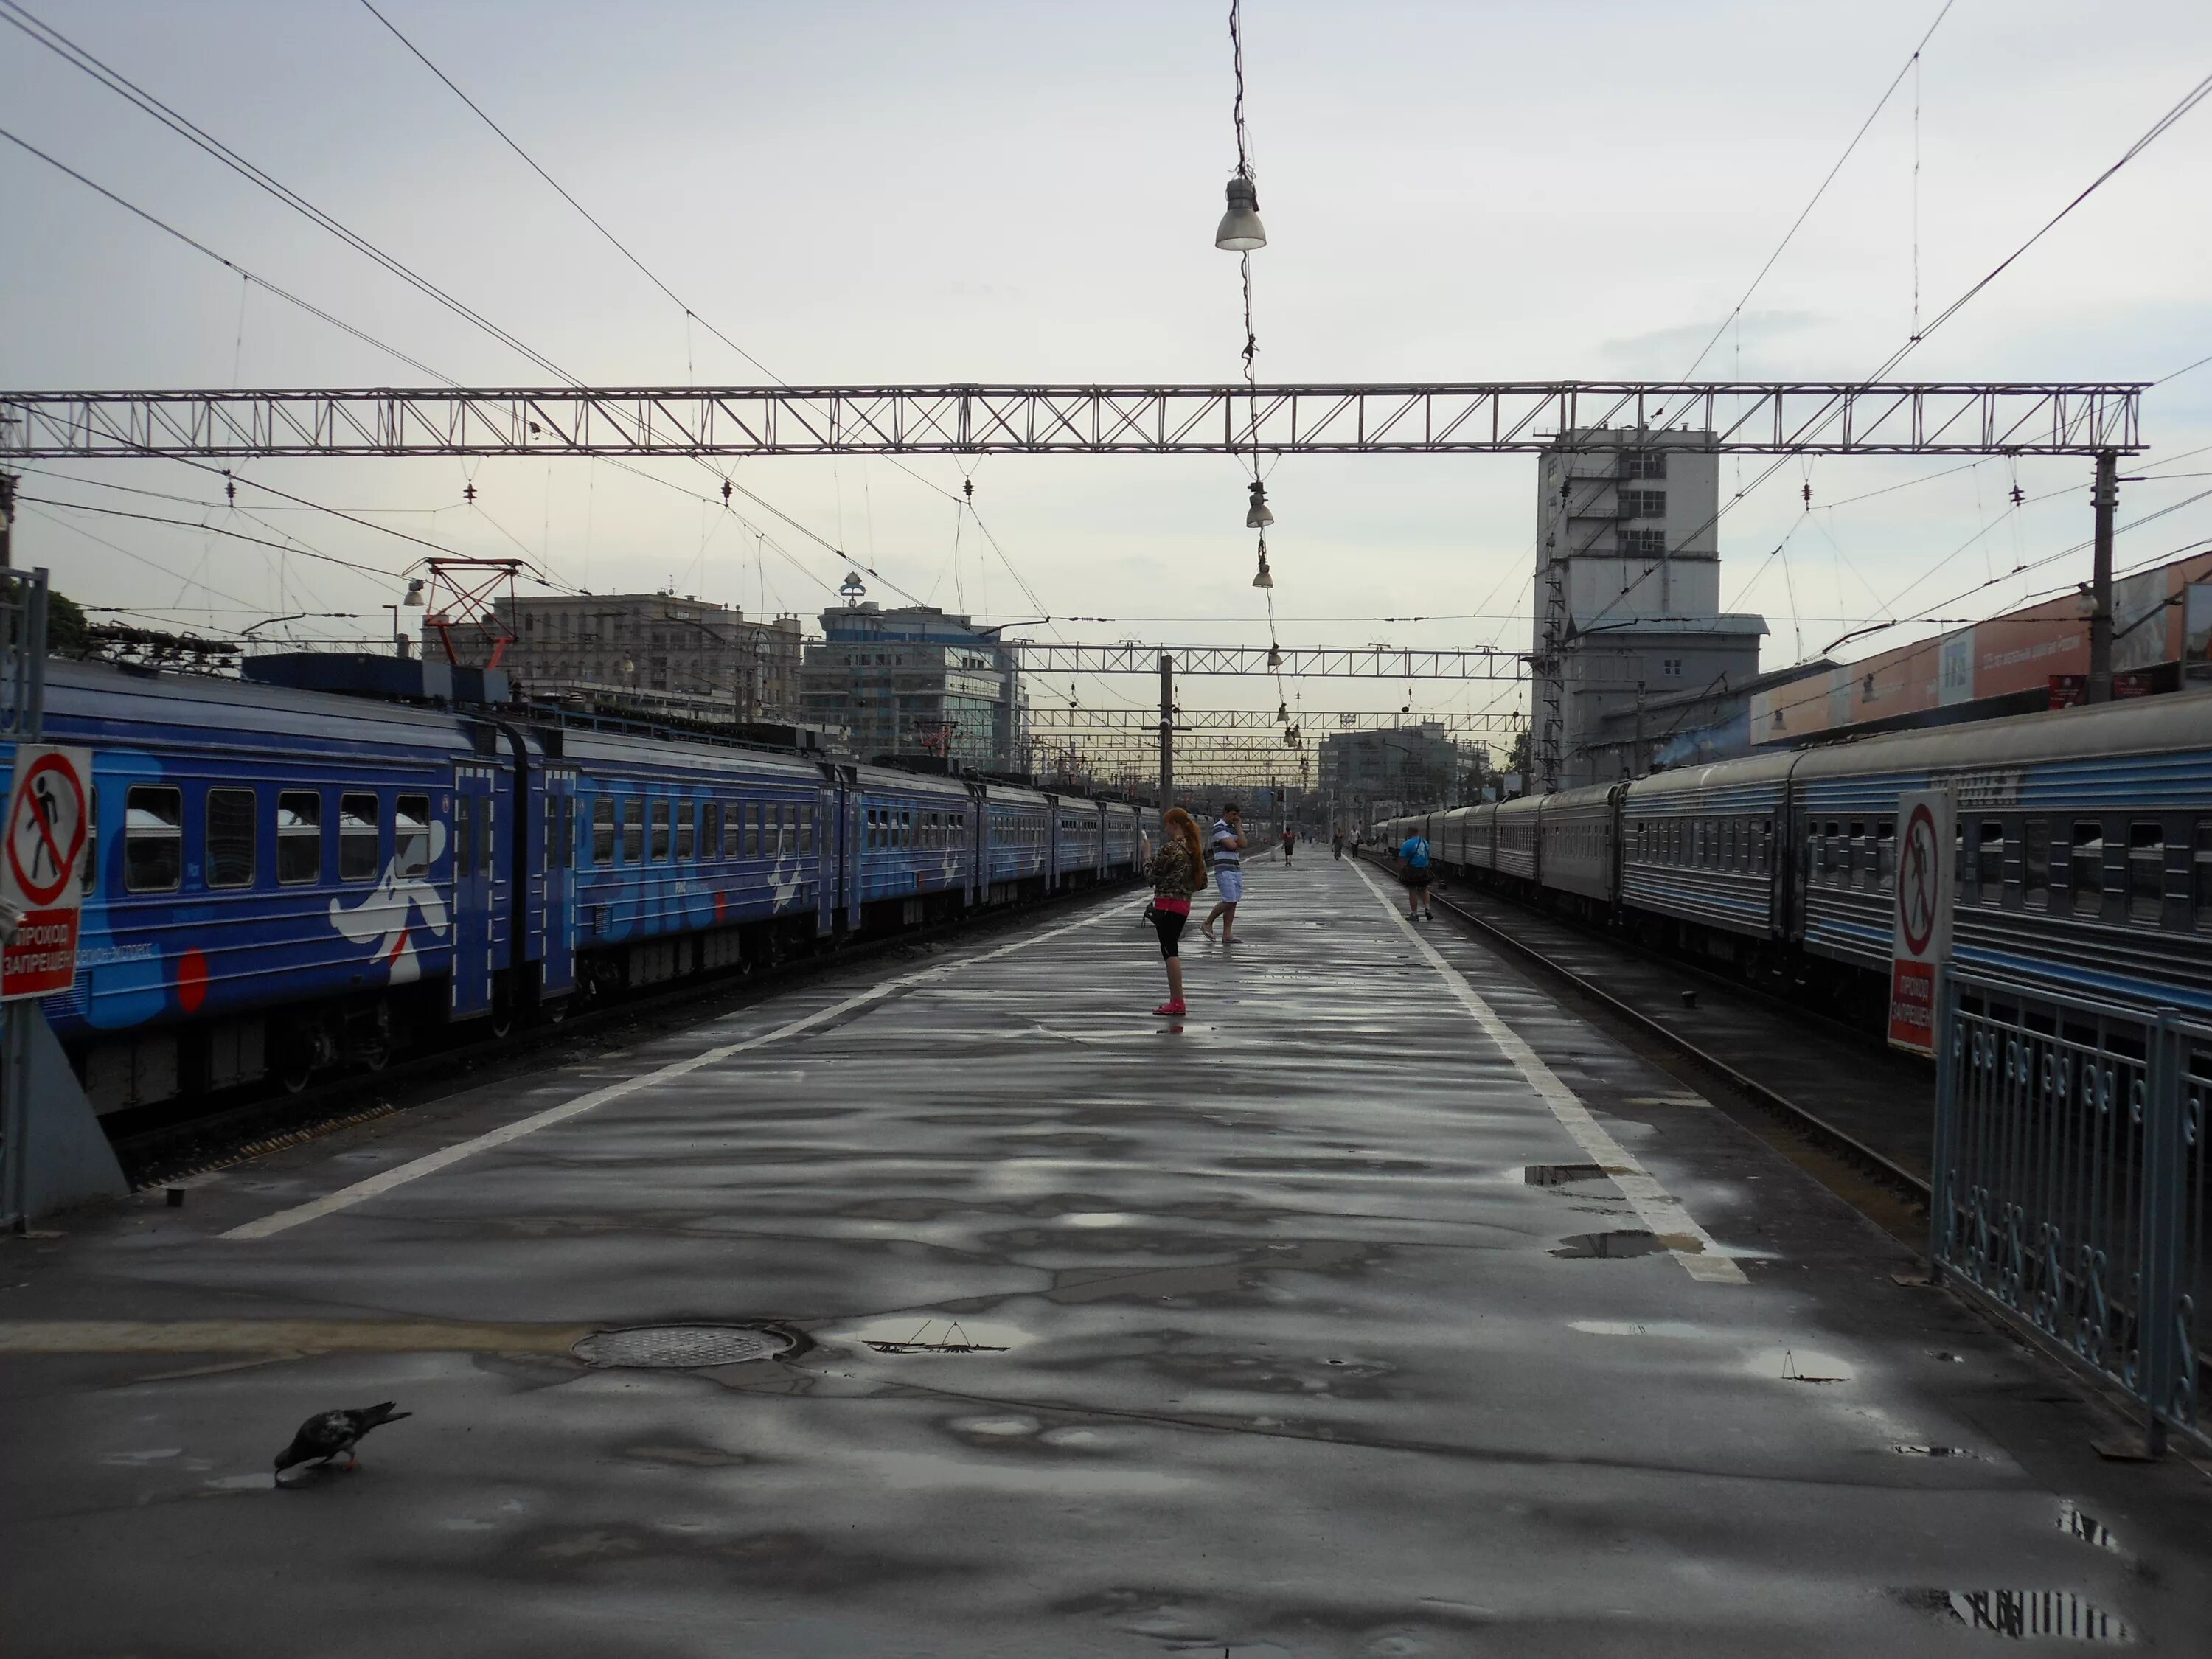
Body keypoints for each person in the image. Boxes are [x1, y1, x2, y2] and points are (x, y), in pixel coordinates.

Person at [1149, 807, 1206, 1016]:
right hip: (1183, 905)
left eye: (1167, 825)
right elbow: (1202, 882)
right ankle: (1177, 1001)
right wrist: (1183, 888)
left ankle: (1177, 1002)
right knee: (1171, 949)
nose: (1166, 830)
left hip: (1166, 905)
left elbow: (1151, 877)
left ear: (1175, 825)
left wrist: (1146, 856)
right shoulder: (1194, 848)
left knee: (1169, 951)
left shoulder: (1170, 849)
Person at [1200, 803, 1245, 942]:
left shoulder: (1233, 828)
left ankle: (1227, 934)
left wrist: (1238, 828)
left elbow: (1243, 844)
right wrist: (1236, 840)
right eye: (1233, 814)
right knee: (1229, 900)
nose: (1235, 818)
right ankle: (1208, 922)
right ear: (1225, 813)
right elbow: (1232, 846)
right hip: (1223, 868)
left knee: (1233, 902)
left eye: (1237, 815)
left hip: (1235, 868)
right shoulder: (1218, 828)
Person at [1398, 825, 1433, 920]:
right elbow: (1428, 856)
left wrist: (1402, 871)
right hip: (1424, 870)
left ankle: (1414, 914)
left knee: (1413, 891)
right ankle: (1427, 909)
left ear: (1410, 832)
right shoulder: (1425, 843)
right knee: (1424, 889)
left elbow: (1402, 859)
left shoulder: (1407, 844)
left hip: (1413, 870)